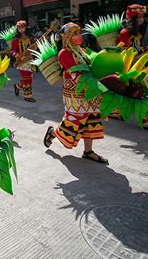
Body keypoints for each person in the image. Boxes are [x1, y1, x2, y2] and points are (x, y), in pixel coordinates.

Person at [43, 23, 108, 163]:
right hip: (74, 93)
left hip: (90, 90)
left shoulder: (83, 50)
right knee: (72, 123)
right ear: (67, 37)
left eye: (79, 33)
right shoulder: (64, 53)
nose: (79, 36)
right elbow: (76, 71)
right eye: (75, 34)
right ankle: (53, 132)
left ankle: (88, 151)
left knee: (92, 120)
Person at [11, 20, 36, 102]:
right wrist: (18, 56)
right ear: (17, 29)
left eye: (23, 27)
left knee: (29, 78)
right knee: (26, 78)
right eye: (19, 28)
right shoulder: (16, 39)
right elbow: (12, 51)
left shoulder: (30, 37)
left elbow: (34, 47)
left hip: (30, 60)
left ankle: (17, 86)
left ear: (26, 27)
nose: (21, 29)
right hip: (21, 62)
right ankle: (27, 96)